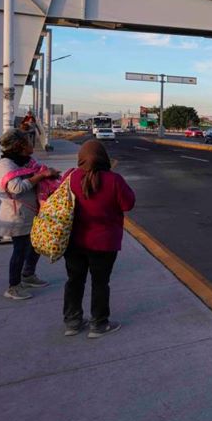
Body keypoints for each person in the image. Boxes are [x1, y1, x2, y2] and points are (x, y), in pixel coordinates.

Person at [62, 140, 136, 338]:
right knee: (100, 283)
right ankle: (99, 324)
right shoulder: (114, 180)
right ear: (104, 157)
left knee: (74, 281)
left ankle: (72, 322)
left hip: (74, 242)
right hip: (104, 244)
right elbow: (128, 204)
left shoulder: (71, 177)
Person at [0, 129, 58, 300]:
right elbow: (15, 188)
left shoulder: (26, 162)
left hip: (31, 214)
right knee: (20, 250)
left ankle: (28, 275)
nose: (32, 145)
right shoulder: (6, 165)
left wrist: (50, 175)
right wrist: (41, 176)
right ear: (20, 146)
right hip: (17, 217)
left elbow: (37, 172)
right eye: (29, 142)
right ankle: (13, 287)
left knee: (35, 246)